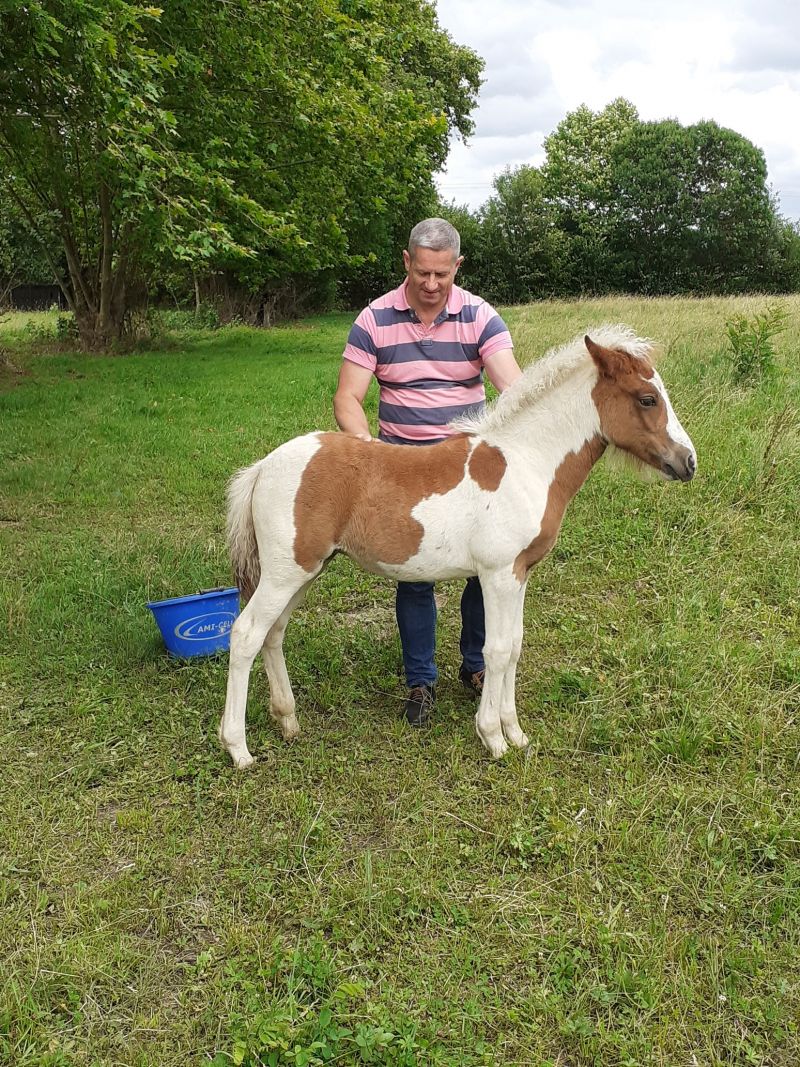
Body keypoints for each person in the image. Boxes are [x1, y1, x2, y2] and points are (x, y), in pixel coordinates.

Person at [334, 218, 522, 727]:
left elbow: (513, 388)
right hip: (402, 468)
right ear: (406, 263)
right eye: (423, 273)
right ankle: (420, 680)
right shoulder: (374, 319)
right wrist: (365, 453)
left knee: (486, 571)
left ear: (458, 266)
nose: (433, 285)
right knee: (413, 578)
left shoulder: (481, 318)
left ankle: (477, 665)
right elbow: (349, 397)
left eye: (443, 274)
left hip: (469, 471)